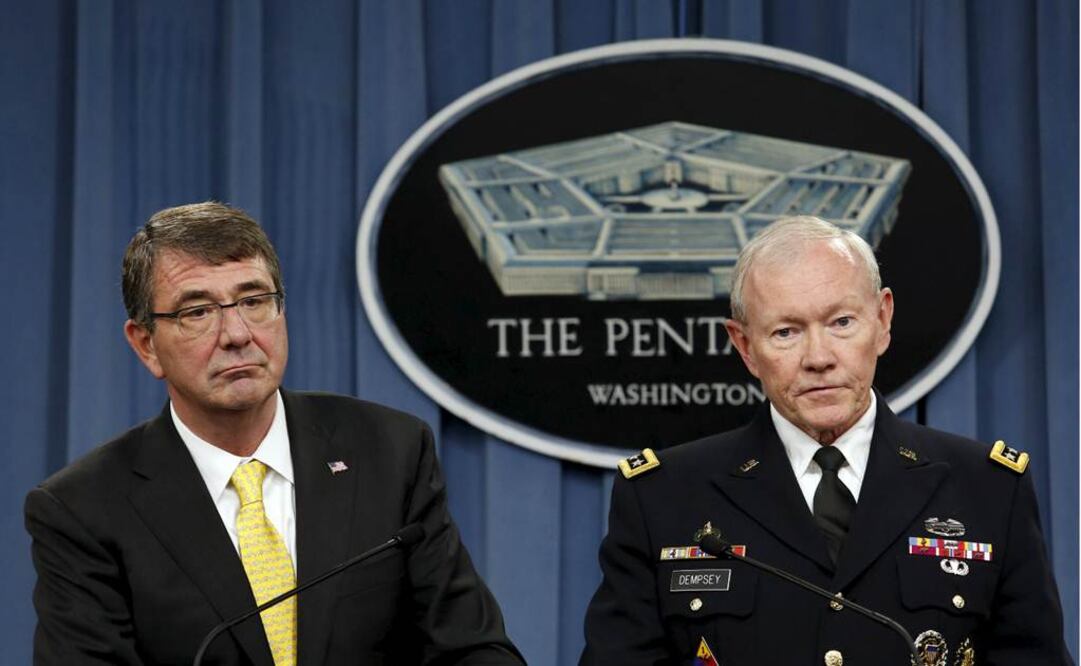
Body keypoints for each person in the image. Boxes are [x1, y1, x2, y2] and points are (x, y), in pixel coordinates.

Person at [25, 202, 523, 665]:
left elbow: (473, 650)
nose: (237, 334)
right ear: (146, 345)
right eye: (197, 312)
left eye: (254, 300)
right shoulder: (85, 510)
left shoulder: (388, 451)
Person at [581, 216, 1070, 665]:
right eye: (786, 332)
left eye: (841, 323)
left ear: (882, 320)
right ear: (745, 347)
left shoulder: (985, 489)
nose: (819, 357)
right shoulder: (664, 498)